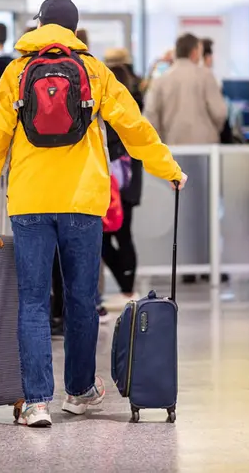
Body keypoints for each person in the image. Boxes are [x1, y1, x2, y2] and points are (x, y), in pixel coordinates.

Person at [0, 0, 186, 428]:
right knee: (82, 300)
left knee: (32, 301)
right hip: (83, 201)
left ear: (40, 24)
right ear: (74, 27)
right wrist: (168, 169)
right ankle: (80, 391)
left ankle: (37, 403)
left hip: (29, 201)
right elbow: (134, 128)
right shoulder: (93, 70)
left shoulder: (17, 70)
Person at [102, 48, 144, 306]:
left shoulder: (112, 105)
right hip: (128, 180)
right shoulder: (135, 98)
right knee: (123, 235)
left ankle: (126, 288)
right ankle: (127, 287)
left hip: (113, 180)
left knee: (107, 236)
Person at [143, 33, 228, 145]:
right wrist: (213, 130)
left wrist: (159, 141)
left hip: (171, 145)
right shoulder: (206, 76)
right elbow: (219, 113)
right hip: (205, 147)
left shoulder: (160, 80)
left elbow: (150, 116)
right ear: (194, 52)